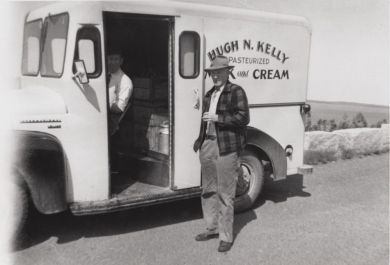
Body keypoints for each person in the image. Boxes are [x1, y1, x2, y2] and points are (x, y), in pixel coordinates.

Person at [193, 55, 250, 252]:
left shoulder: (236, 91)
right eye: (212, 73)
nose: (215, 76)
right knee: (208, 189)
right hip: (208, 143)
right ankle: (211, 228)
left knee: (225, 192)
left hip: (226, 146)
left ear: (227, 72)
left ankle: (226, 236)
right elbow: (205, 122)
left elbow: (243, 118)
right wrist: (200, 142)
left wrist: (218, 117)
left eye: (218, 72)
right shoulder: (209, 94)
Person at [107, 50, 133, 136]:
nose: (113, 62)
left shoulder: (125, 81)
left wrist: (103, 103)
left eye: (116, 59)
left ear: (121, 61)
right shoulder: (103, 76)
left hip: (110, 120)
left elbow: (119, 109)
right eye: (110, 59)